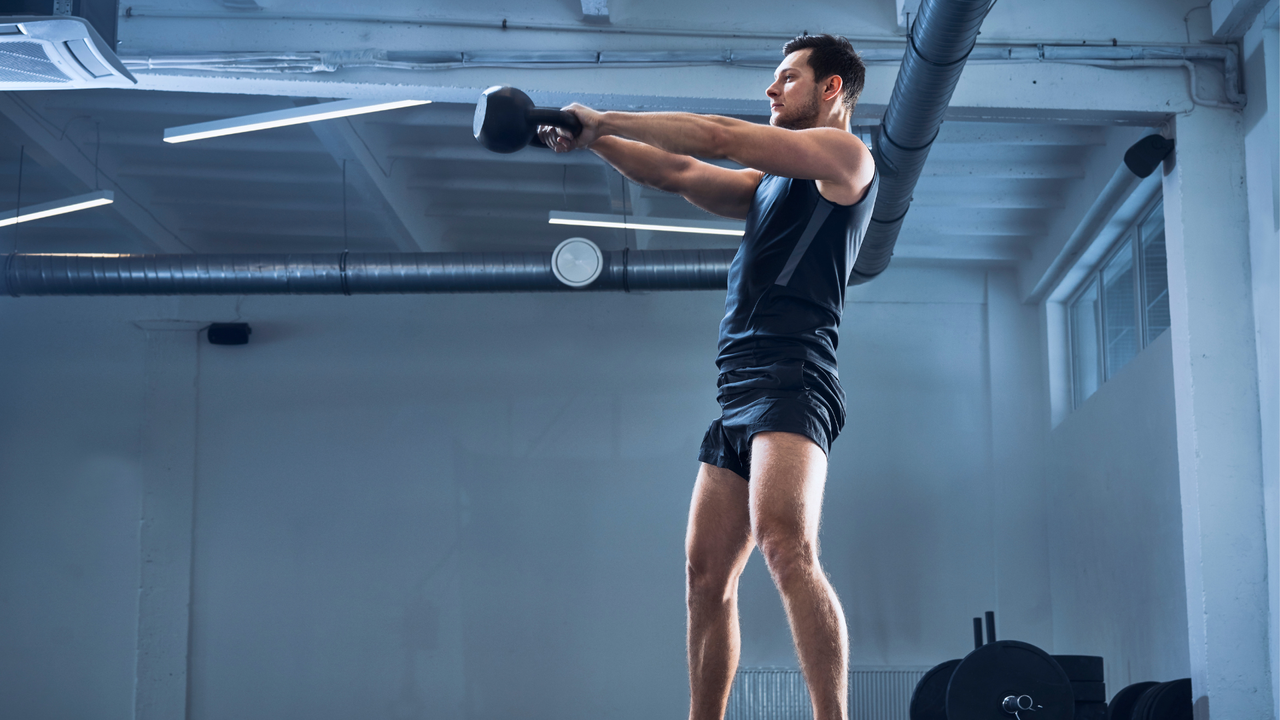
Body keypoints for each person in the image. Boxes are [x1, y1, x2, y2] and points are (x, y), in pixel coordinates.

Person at [541, 34, 877, 720]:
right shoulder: (769, 186)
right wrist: (593, 141)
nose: (771, 90)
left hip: (794, 374)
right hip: (737, 388)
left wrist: (603, 117)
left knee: (785, 543)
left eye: (787, 78)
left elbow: (723, 136)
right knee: (703, 578)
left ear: (832, 89)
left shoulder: (846, 158)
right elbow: (678, 173)